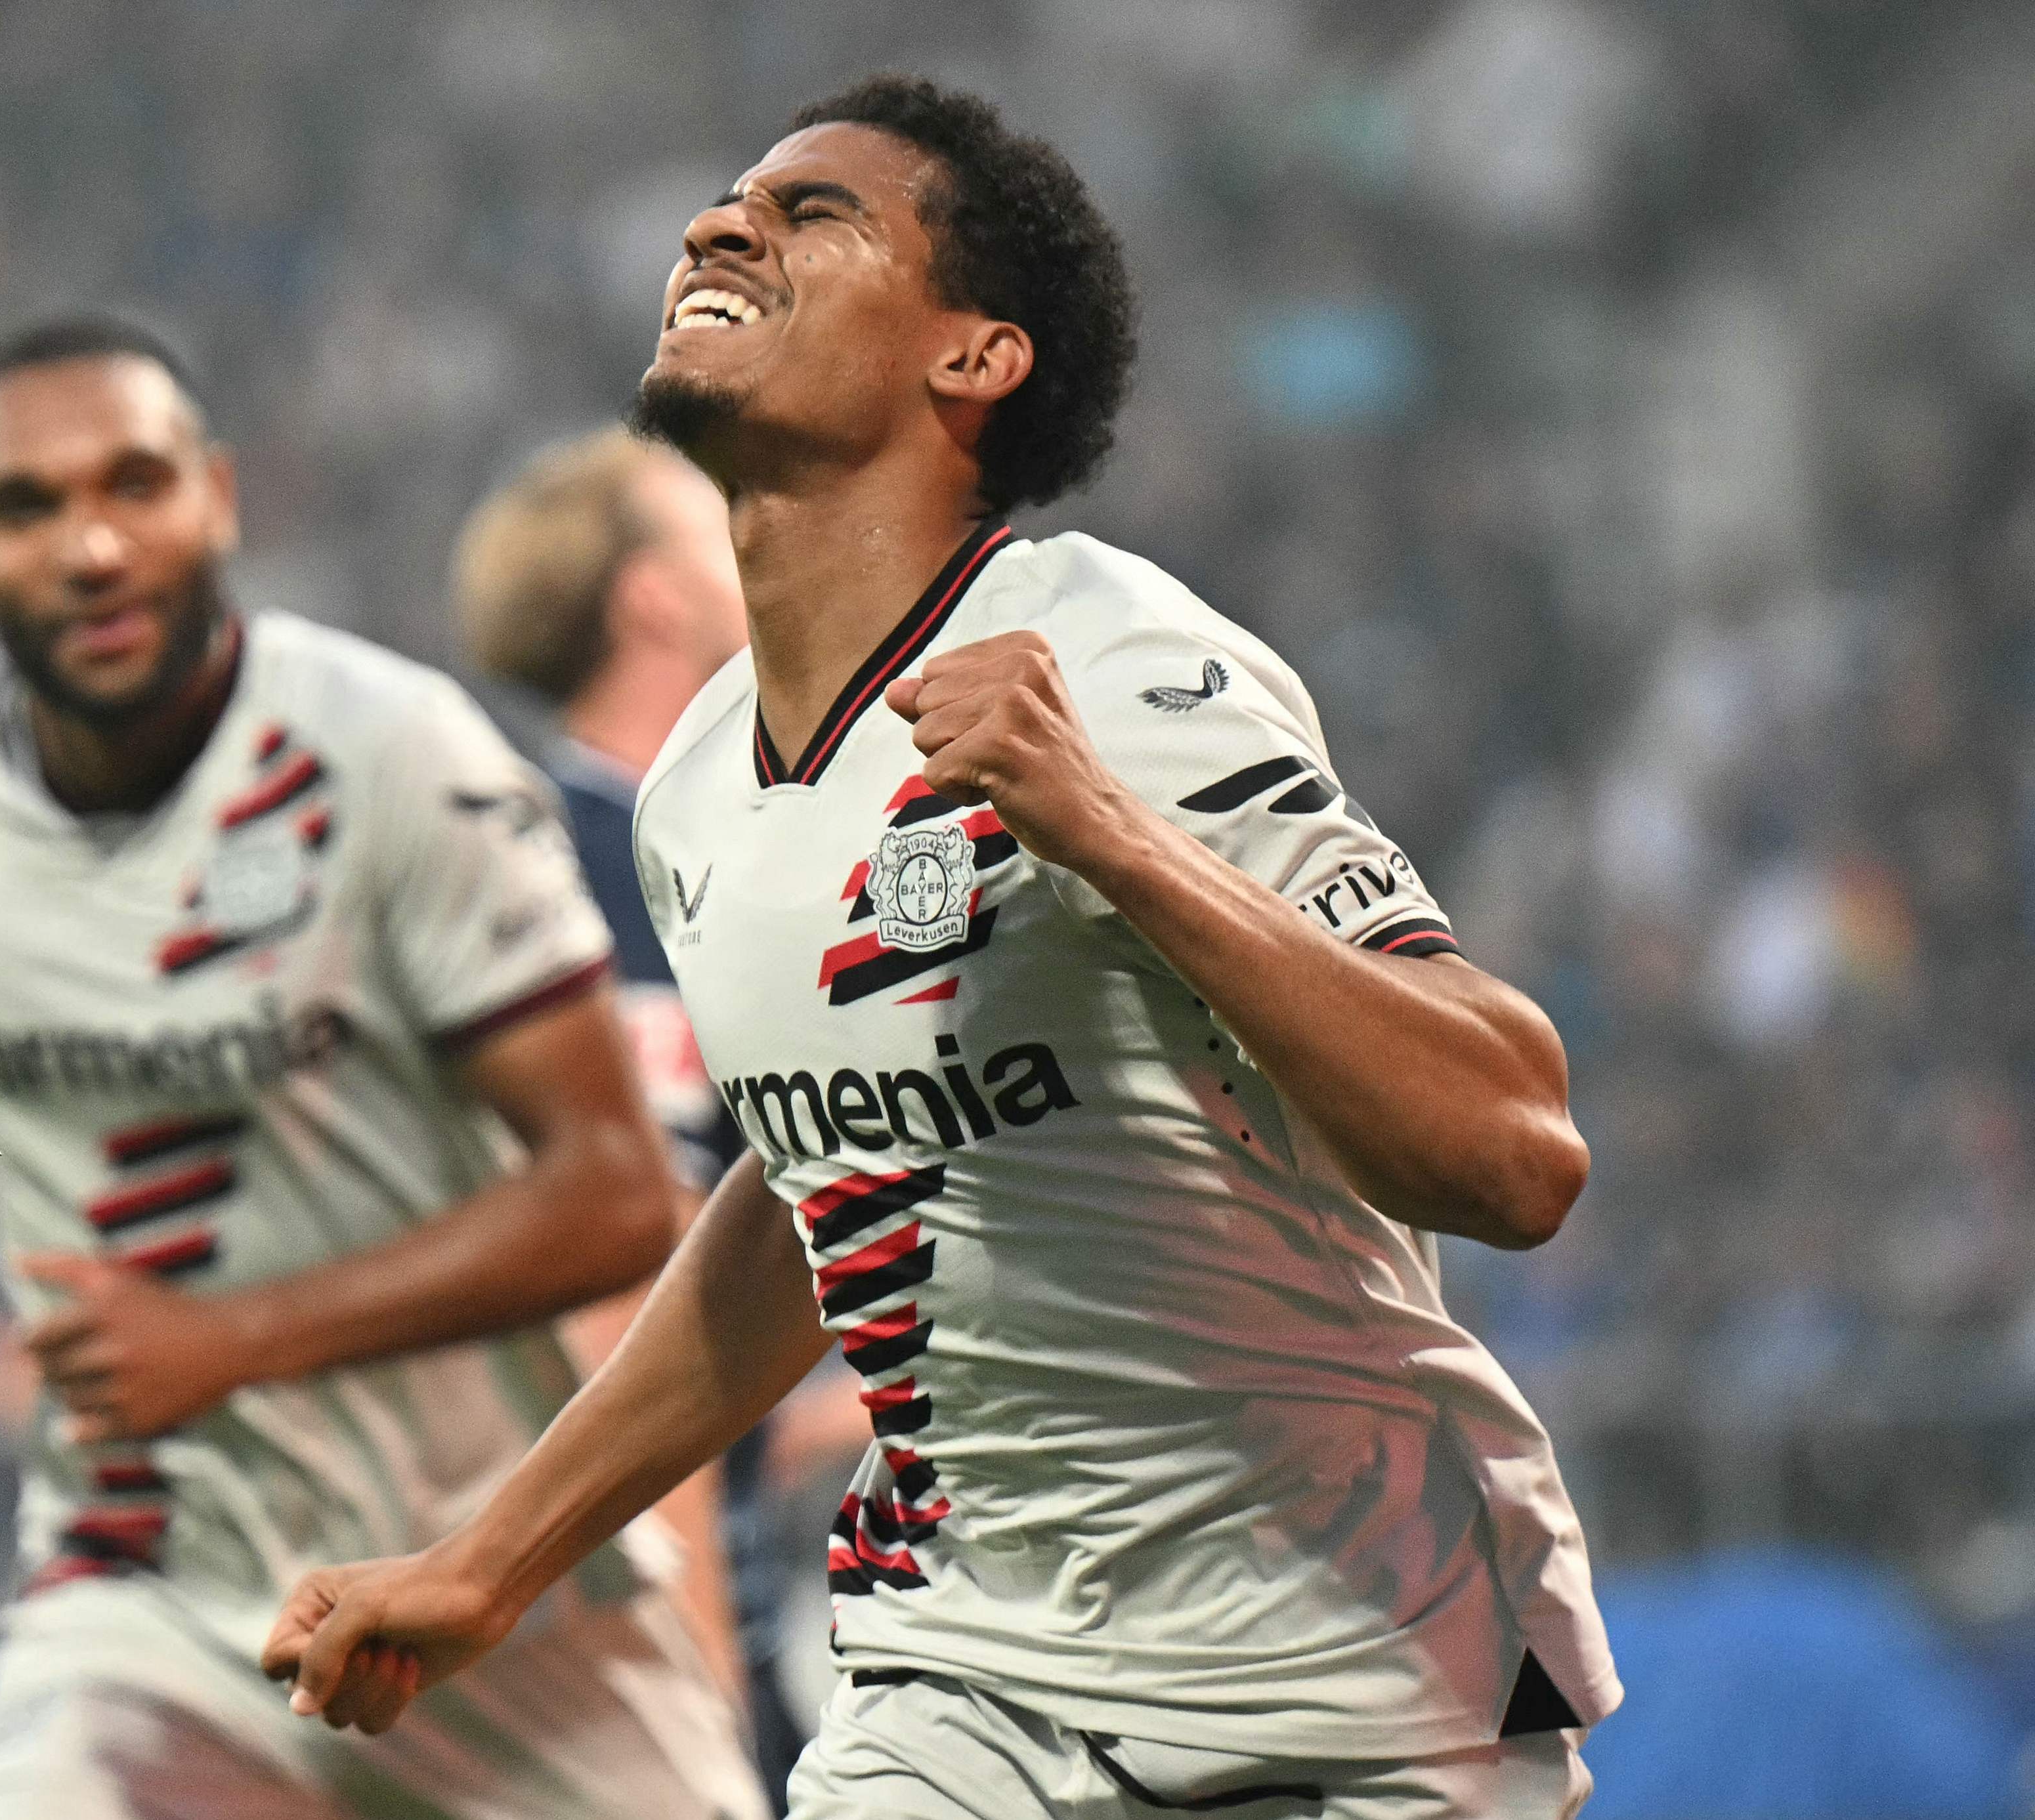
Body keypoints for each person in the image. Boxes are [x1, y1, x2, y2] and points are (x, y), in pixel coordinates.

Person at [265, 75, 1621, 1819]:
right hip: (963, 1673)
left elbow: (1516, 1146)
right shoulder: (695, 787)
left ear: (974, 357)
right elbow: (807, 1185)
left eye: (813, 213)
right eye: (729, 200)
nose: (720, 226)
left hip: (1347, 1679)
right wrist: (488, 1562)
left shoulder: (1111, 664)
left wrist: (1111, 833)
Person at [0, 314, 769, 1820]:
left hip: (490, 1581)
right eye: (26, 506)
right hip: (149, 1590)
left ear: (219, 497)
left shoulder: (391, 757)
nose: (92, 547)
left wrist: (232, 1337)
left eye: (135, 484)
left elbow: (619, 1197)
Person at [457, 430, 871, 1810]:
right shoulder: (590, 879)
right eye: (714, 525)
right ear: (652, 596)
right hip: (630, 1625)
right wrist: (701, 1715)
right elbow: (630, 1300)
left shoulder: (662, 852)